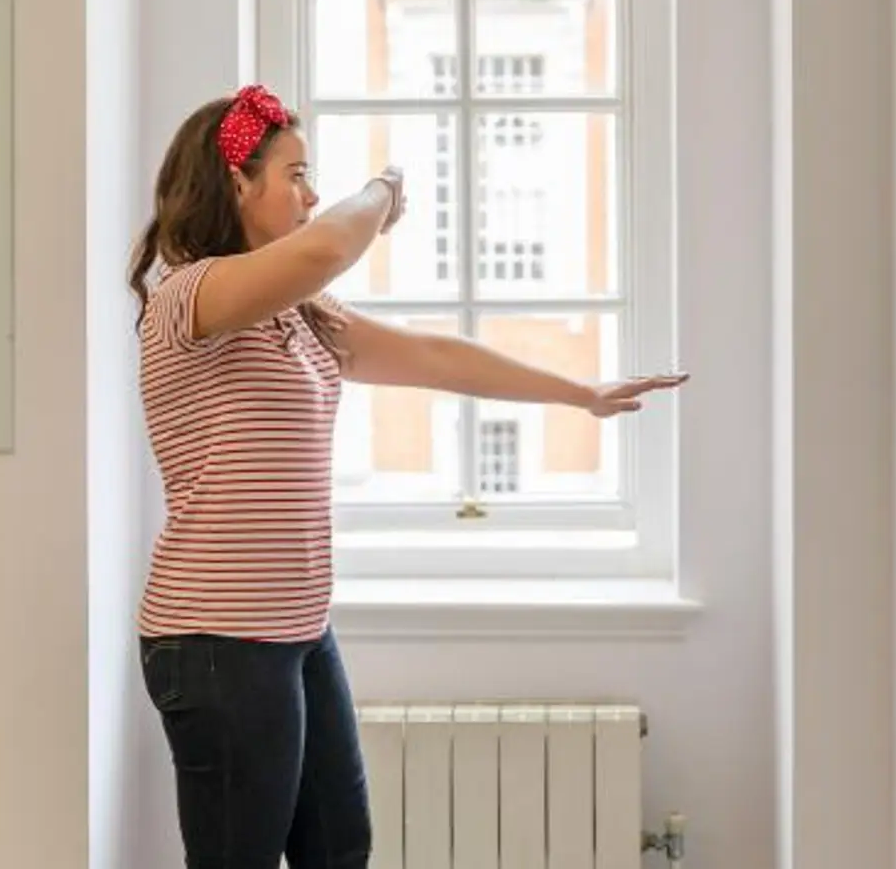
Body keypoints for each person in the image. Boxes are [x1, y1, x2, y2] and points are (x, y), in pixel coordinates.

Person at [126, 85, 687, 868]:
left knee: (339, 848)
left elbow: (432, 356)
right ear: (235, 183)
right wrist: (383, 191)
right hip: (219, 639)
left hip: (296, 628)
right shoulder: (190, 297)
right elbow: (327, 244)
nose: (312, 194)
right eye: (295, 174)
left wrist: (578, 394)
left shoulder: (301, 315)